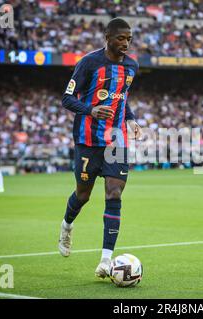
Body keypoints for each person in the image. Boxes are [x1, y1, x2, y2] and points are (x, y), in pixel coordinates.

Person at [59, 18, 142, 279]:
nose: (126, 43)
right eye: (121, 38)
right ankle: (66, 225)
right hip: (87, 141)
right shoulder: (89, 63)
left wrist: (130, 118)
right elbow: (67, 98)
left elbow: (122, 97)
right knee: (83, 195)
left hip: (116, 140)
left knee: (114, 193)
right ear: (107, 37)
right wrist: (91, 110)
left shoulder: (131, 66)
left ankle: (106, 260)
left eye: (129, 38)